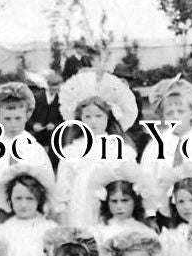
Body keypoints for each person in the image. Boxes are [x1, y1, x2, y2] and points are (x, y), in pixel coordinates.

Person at [54, 69, 138, 227]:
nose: (93, 122)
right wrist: (62, 216)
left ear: (108, 118)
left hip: (110, 210)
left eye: (99, 116)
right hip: (80, 209)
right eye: (87, 116)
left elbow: (132, 184)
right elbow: (62, 190)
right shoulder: (72, 152)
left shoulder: (120, 149)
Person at [0, 81, 54, 227]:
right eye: (7, 119)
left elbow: (47, 180)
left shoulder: (34, 148)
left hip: (28, 208)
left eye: (18, 118)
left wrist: (45, 206)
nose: (13, 124)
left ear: (27, 116)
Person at [0, 164, 60, 256]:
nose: (23, 204)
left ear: (39, 200)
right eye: (18, 198)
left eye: (29, 198)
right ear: (10, 199)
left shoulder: (51, 230)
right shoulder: (2, 232)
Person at [86, 163, 159, 256]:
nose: (119, 206)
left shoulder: (145, 232)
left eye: (125, 200)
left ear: (135, 201)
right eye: (114, 201)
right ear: (107, 202)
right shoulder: (98, 232)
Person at [29, 71, 64, 166]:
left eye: (57, 85)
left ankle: (51, 165)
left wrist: (55, 125)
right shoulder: (37, 97)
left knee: (57, 135)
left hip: (50, 131)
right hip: (36, 131)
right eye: (52, 85)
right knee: (28, 138)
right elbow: (27, 115)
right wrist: (33, 125)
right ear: (47, 85)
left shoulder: (61, 99)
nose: (54, 88)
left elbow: (62, 118)